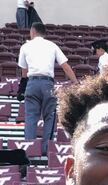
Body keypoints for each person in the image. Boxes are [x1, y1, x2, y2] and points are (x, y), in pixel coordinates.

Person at [17, 22, 77, 157]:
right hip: (47, 84)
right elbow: (65, 66)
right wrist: (76, 82)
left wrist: (22, 88)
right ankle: (46, 150)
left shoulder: (25, 46)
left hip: (32, 84)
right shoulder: (52, 45)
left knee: (30, 118)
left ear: (33, 32)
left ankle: (29, 149)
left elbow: (24, 72)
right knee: (49, 117)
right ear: (44, 33)